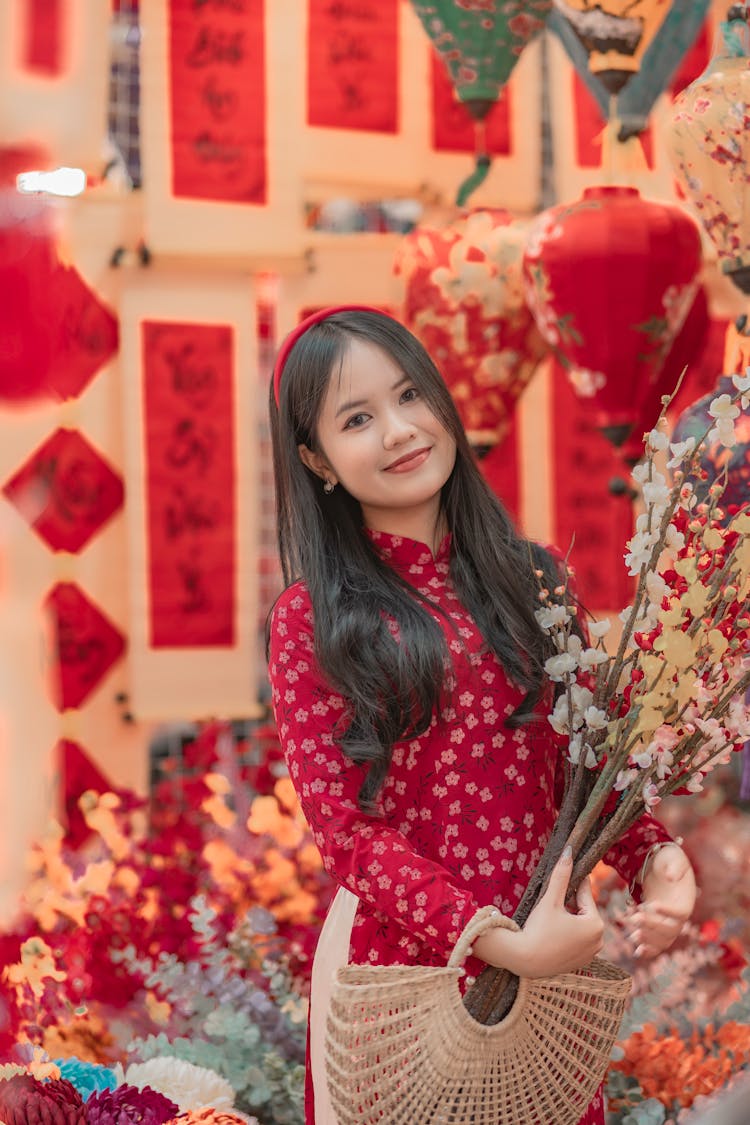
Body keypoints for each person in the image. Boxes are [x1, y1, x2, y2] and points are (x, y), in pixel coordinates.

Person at [266, 305, 697, 1125]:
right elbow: (348, 836)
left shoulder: (533, 579)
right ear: (317, 458)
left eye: (409, 396)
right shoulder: (310, 619)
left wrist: (655, 859)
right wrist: (500, 939)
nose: (398, 431)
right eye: (358, 418)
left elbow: (586, 763)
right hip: (412, 980)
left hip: (549, 978)